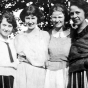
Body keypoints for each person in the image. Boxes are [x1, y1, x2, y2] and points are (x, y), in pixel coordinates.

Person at [14, 5, 50, 88]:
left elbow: (46, 57)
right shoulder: (19, 37)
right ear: (24, 19)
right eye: (27, 18)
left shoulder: (45, 35)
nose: (30, 21)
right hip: (23, 74)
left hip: (40, 74)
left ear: (37, 18)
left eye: (33, 18)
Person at [44, 3, 71, 88]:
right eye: (54, 17)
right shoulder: (47, 34)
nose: (57, 20)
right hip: (50, 73)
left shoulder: (72, 34)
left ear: (65, 17)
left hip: (66, 72)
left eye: (60, 17)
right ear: (51, 18)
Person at [68, 0, 88, 88]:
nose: (74, 16)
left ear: (85, 12)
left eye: (77, 12)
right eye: (72, 13)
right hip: (73, 73)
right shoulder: (72, 33)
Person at [0, 10, 18, 88]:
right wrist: (12, 65)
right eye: (4, 25)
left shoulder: (13, 42)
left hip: (12, 77)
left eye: (9, 26)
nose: (6, 29)